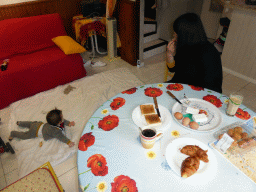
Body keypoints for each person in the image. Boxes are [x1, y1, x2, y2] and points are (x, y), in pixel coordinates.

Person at [166, 13, 223, 93]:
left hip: (199, 93)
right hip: (182, 85)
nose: (174, 35)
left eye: (176, 32)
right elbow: (172, 69)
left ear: (184, 35)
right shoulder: (184, 46)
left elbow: (212, 88)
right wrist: (170, 54)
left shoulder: (209, 53)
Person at [8, 108, 75, 147]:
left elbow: (63, 121)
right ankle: (13, 133)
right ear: (58, 122)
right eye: (61, 116)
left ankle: (20, 123)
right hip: (35, 132)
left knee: (30, 124)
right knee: (24, 135)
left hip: (38, 124)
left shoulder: (57, 121)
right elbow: (61, 137)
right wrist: (68, 142)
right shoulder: (54, 130)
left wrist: (69, 123)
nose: (63, 117)